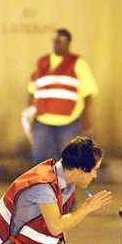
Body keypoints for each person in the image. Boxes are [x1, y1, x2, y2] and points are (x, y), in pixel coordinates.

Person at [27, 28, 99, 165]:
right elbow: (31, 89)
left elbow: (88, 92)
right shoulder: (42, 62)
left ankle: (64, 187)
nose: (57, 42)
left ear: (69, 43)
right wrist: (29, 113)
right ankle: (44, 186)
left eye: (61, 40)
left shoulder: (77, 63)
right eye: (55, 39)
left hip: (68, 122)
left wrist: (85, 115)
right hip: (42, 121)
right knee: (40, 159)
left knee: (68, 161)